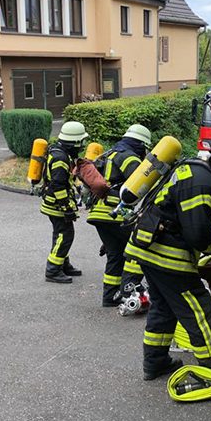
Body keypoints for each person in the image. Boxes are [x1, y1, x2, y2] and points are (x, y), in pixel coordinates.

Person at [124, 139, 211, 381]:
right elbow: (197, 233)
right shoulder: (202, 181)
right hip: (168, 257)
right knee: (200, 310)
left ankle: (155, 362)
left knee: (164, 308)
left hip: (150, 250)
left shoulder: (195, 170)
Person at [87, 124, 152, 307]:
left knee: (115, 253)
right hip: (116, 213)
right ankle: (129, 291)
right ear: (140, 143)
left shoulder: (110, 153)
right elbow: (142, 184)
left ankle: (110, 297)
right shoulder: (129, 157)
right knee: (137, 249)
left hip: (99, 213)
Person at [40, 121, 89, 283]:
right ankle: (53, 270)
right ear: (73, 142)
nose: (81, 146)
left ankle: (63, 264)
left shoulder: (59, 152)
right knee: (65, 235)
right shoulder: (61, 158)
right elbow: (58, 185)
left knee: (62, 234)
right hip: (56, 205)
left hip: (53, 203)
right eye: (80, 142)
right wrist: (67, 207)